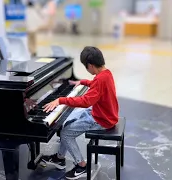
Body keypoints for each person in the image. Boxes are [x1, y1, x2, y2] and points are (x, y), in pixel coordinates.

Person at [41, 46, 119, 180]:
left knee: (66, 133)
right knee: (68, 122)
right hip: (105, 112)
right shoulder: (106, 73)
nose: (87, 69)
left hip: (102, 120)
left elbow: (86, 101)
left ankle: (81, 166)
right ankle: (59, 158)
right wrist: (83, 82)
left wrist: (61, 100)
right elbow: (96, 85)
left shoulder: (99, 80)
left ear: (90, 65)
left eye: (86, 67)